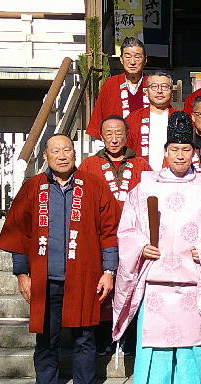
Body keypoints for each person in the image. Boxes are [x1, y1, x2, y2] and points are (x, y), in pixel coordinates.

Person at [112, 112, 201, 384]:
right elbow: (128, 228)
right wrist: (141, 246)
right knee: (156, 342)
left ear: (194, 153)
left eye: (186, 149)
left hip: (193, 277)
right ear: (165, 151)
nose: (180, 155)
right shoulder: (146, 185)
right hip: (156, 279)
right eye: (174, 149)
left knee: (192, 343)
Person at [0, 134, 120, 384]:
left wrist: (109, 270)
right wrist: (22, 273)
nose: (62, 155)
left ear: (75, 154)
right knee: (46, 341)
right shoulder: (33, 187)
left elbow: (109, 231)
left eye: (67, 150)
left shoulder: (93, 185)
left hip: (84, 276)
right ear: (46, 157)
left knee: (85, 340)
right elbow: (19, 233)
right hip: (45, 278)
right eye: (56, 151)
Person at [79, 115, 151, 354]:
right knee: (102, 287)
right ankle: (103, 339)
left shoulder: (141, 164)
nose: (114, 138)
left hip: (134, 238)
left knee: (131, 286)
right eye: (108, 133)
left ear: (127, 135)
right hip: (100, 237)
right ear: (101, 136)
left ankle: (129, 338)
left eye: (118, 133)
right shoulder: (89, 165)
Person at [86, 37, 149, 140]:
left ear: (145, 60)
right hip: (116, 142)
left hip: (146, 140)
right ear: (121, 59)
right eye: (127, 57)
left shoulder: (152, 84)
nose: (132, 62)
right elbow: (99, 113)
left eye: (137, 57)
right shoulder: (110, 84)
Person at [125, 70, 177, 169]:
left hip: (174, 174)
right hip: (140, 173)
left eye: (164, 86)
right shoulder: (133, 119)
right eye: (154, 86)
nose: (159, 91)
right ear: (146, 92)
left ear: (171, 91)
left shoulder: (180, 118)